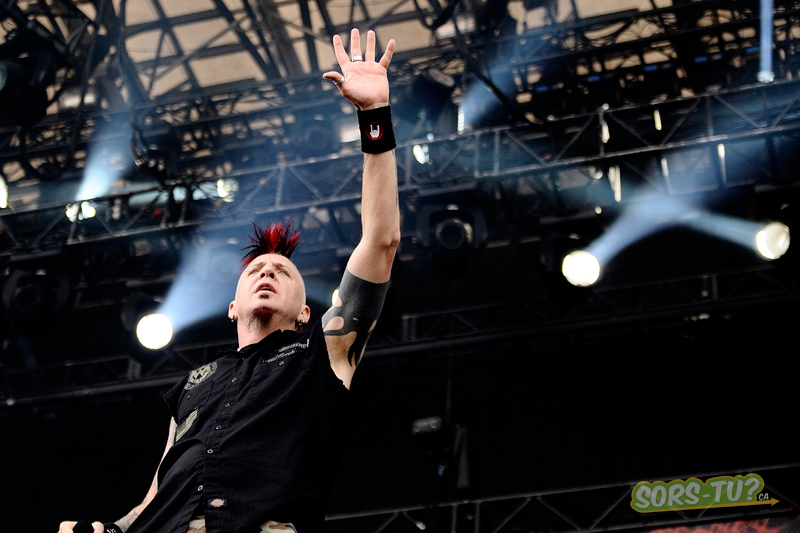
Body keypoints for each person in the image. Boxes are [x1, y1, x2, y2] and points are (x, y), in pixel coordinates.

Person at [58, 28, 400, 533]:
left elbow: (381, 242)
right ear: (232, 306)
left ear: (306, 311)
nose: (267, 272)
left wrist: (374, 115)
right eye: (256, 270)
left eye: (282, 271)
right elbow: (157, 495)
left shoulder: (321, 353)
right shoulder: (193, 385)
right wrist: (108, 530)